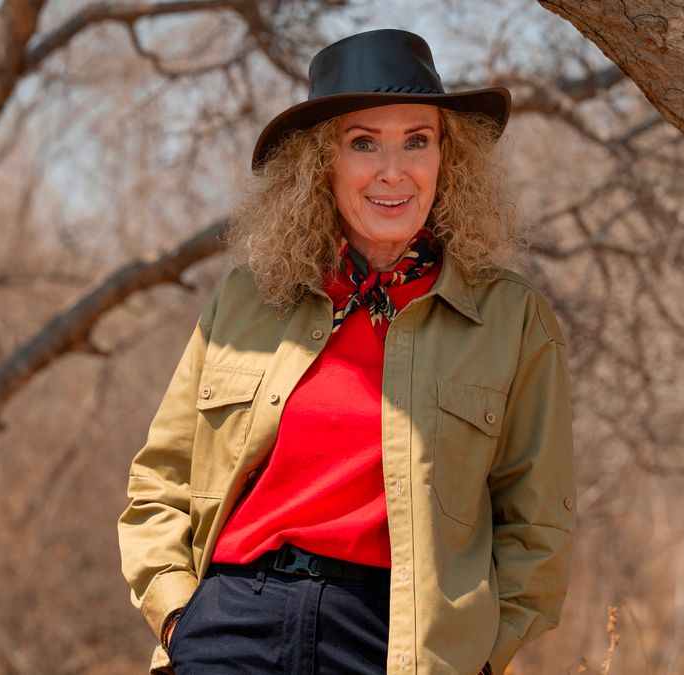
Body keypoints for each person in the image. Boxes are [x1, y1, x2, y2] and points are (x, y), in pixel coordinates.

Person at [118, 28, 576, 675]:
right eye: (363, 142)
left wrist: (474, 658)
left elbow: (539, 528)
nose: (394, 171)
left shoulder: (511, 319)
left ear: (447, 157)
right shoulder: (250, 299)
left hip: (395, 638)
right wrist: (178, 616)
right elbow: (161, 480)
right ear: (320, 163)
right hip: (232, 622)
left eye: (417, 140)